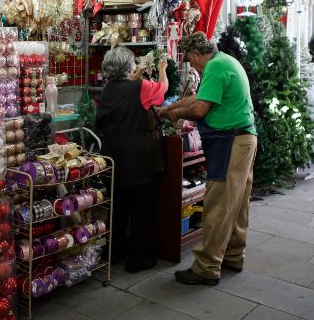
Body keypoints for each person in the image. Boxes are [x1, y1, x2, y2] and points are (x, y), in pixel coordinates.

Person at [158, 32, 257, 286]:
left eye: (191, 61)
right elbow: (200, 97)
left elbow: (200, 109)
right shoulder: (224, 61)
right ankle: (233, 256)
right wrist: (171, 107)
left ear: (196, 54)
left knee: (218, 205)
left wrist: (175, 114)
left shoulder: (214, 66)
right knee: (237, 203)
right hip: (244, 139)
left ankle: (206, 266)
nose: (193, 66)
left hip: (232, 142)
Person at [96, 46, 168, 273]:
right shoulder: (142, 87)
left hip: (113, 156)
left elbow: (126, 86)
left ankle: (114, 252)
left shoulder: (107, 89)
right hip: (138, 157)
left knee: (117, 206)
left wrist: (136, 75)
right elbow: (162, 90)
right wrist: (162, 69)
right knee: (141, 209)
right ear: (129, 67)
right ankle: (138, 258)